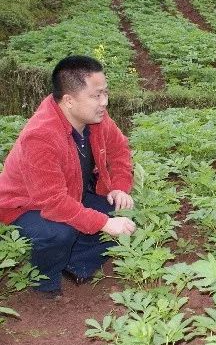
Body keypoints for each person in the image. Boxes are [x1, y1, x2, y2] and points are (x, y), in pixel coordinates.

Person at [0, 55, 136, 298]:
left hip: (73, 192)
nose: (104, 102)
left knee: (125, 215)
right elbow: (53, 204)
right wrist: (104, 223)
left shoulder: (95, 118)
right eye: (96, 96)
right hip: (24, 206)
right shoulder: (41, 136)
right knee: (59, 232)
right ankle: (44, 283)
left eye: (105, 93)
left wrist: (119, 187)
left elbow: (119, 150)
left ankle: (74, 263)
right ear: (69, 100)